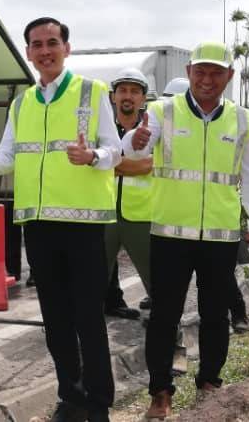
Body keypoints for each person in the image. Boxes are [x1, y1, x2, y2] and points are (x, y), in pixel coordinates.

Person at [0, 17, 120, 422]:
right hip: (38, 224)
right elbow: (6, 159)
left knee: (88, 316)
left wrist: (93, 157)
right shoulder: (22, 103)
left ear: (67, 48)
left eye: (53, 42)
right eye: (37, 44)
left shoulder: (92, 92)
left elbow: (115, 150)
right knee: (55, 319)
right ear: (29, 52)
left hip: (84, 225)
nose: (45, 50)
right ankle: (71, 396)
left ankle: (99, 402)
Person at [124, 41, 249, 420]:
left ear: (229, 76)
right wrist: (135, 141)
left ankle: (210, 383)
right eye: (200, 72)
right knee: (164, 315)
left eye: (216, 73)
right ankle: (160, 392)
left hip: (220, 236)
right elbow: (136, 150)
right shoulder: (162, 111)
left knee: (215, 314)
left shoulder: (243, 119)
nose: (207, 80)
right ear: (189, 72)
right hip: (170, 234)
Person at [103, 68, 153, 321]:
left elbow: (153, 165)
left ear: (143, 99)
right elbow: (95, 165)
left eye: (135, 91)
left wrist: (113, 165)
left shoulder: (153, 130)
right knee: (92, 280)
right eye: (122, 90)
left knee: (156, 281)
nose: (128, 96)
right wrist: (134, 167)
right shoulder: (102, 129)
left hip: (142, 217)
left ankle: (166, 336)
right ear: (113, 97)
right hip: (104, 215)